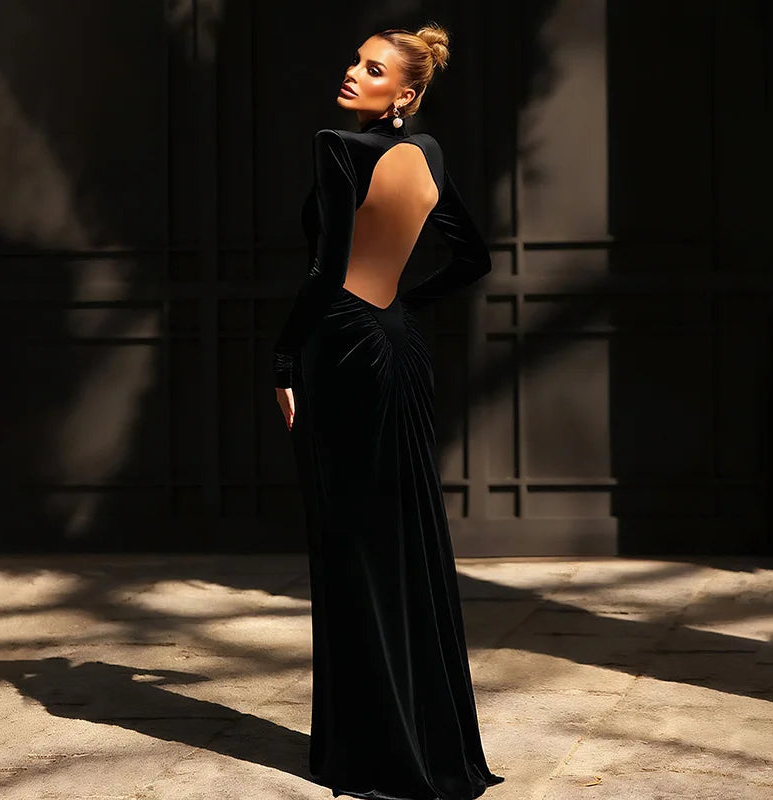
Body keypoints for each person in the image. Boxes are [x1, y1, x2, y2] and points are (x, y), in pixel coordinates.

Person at [273, 22, 504, 800]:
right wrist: (404, 305)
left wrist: (281, 360)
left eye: (372, 69)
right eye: (354, 60)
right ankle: (424, 745)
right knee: (400, 536)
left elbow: (323, 268)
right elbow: (472, 257)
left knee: (350, 544)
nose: (351, 73)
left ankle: (371, 755)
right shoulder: (428, 154)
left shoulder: (337, 147)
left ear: (404, 93)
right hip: (397, 348)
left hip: (339, 347)